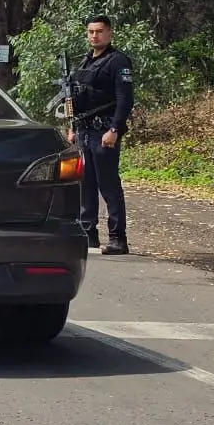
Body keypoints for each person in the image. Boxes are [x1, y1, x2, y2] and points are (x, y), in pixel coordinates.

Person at [66, 14, 134, 255]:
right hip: (83, 130)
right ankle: (88, 234)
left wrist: (114, 129)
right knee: (86, 184)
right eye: (91, 32)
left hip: (104, 130)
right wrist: (72, 127)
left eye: (100, 31)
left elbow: (125, 99)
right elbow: (74, 99)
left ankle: (118, 238)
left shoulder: (117, 61)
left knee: (109, 185)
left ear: (109, 33)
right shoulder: (84, 62)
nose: (95, 35)